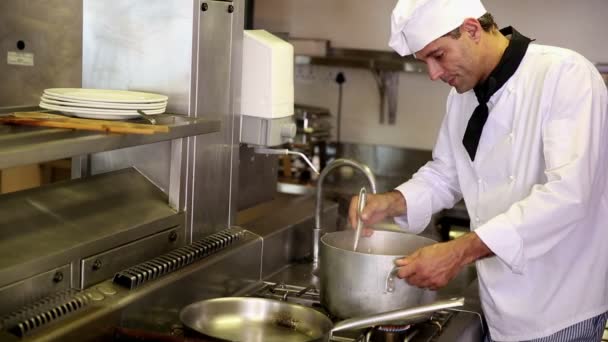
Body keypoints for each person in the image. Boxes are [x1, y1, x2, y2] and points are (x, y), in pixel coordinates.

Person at [348, 0, 608, 341]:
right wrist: (391, 201)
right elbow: (446, 172)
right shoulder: (464, 93)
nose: (433, 73)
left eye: (437, 55)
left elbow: (568, 194)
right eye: (424, 60)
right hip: (499, 303)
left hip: (559, 309)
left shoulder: (565, 74)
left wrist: (458, 252)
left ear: (471, 29)